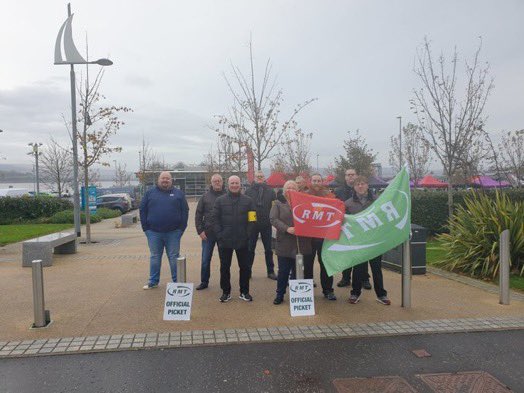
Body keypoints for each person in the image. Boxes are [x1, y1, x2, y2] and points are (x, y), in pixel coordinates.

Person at [345, 176, 391, 305]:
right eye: (357, 184)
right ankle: (355, 293)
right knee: (358, 268)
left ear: (367, 185)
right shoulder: (348, 204)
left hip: (374, 241)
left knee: (376, 268)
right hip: (358, 242)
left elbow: (384, 218)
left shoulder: (378, 201)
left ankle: (381, 294)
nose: (360, 186)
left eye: (363, 183)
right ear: (354, 187)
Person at [139, 171, 189, 289]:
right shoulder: (149, 193)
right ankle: (153, 281)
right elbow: (142, 210)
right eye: (163, 178)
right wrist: (145, 228)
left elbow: (185, 211)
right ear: (158, 180)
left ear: (171, 180)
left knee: (174, 257)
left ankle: (177, 282)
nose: (165, 180)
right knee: (155, 257)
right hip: (153, 232)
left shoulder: (179, 194)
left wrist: (181, 228)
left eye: (167, 178)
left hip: (174, 232)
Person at [214, 175, 257, 302]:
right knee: (224, 267)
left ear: (240, 184)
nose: (234, 185)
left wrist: (247, 234)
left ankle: (244, 292)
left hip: (243, 240)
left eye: (236, 183)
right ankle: (226, 292)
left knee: (244, 267)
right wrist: (219, 235)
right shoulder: (220, 200)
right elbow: (214, 219)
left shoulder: (248, 201)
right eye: (232, 183)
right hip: (224, 240)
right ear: (228, 184)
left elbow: (253, 220)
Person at [270, 180, 312, 305]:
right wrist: (287, 228)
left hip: (301, 243)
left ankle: (296, 296)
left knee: (298, 270)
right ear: (284, 191)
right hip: (284, 242)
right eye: (288, 188)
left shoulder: (305, 203)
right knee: (283, 271)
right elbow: (273, 219)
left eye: (293, 187)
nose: (290, 190)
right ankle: (280, 294)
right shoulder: (277, 204)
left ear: (297, 190)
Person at [334, 168, 372, 290]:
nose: (350, 177)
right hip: (346, 227)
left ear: (356, 176)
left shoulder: (364, 190)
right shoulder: (338, 191)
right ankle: (346, 278)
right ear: (345, 177)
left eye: (352, 174)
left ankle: (365, 279)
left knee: (363, 253)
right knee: (347, 253)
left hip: (363, 228)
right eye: (348, 175)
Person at [307, 173, 337, 301]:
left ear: (322, 182)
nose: (316, 183)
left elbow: (336, 211)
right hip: (308, 237)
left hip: (324, 237)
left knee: (325, 264)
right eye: (314, 180)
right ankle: (307, 290)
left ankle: (328, 290)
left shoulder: (329, 195)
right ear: (310, 181)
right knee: (307, 264)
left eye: (318, 180)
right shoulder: (304, 195)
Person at [194, 174, 225, 290]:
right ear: (211, 183)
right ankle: (204, 281)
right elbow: (198, 215)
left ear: (222, 182)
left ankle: (224, 282)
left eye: (219, 181)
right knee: (205, 260)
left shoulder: (227, 196)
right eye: (215, 181)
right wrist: (200, 231)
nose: (217, 183)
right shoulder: (205, 197)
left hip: (223, 234)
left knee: (224, 260)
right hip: (208, 234)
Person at [245, 171, 277, 280]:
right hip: (252, 224)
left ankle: (270, 271)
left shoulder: (271, 191)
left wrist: (272, 220)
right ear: (255, 177)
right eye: (258, 176)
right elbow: (246, 207)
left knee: (268, 249)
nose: (259, 178)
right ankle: (248, 271)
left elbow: (274, 207)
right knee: (250, 249)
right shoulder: (248, 191)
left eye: (261, 176)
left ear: (264, 178)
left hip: (266, 224)